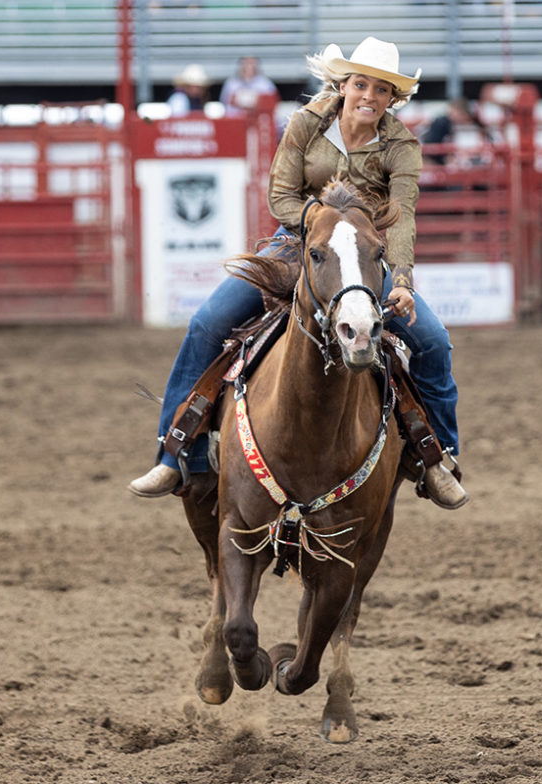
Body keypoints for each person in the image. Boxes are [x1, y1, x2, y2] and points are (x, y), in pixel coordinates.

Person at [130, 36, 468, 510]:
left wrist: (405, 280)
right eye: (361, 84)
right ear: (344, 85)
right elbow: (280, 195)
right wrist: (319, 223)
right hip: (296, 245)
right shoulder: (307, 124)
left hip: (364, 260)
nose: (369, 96)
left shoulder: (402, 146)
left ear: (394, 98)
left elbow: (404, 216)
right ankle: (176, 450)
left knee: (432, 341)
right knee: (208, 322)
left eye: (382, 90)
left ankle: (436, 457)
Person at [421, 97, 471, 165]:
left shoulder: (453, 124)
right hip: (430, 157)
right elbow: (432, 145)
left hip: (443, 157)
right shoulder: (441, 123)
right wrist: (445, 159)